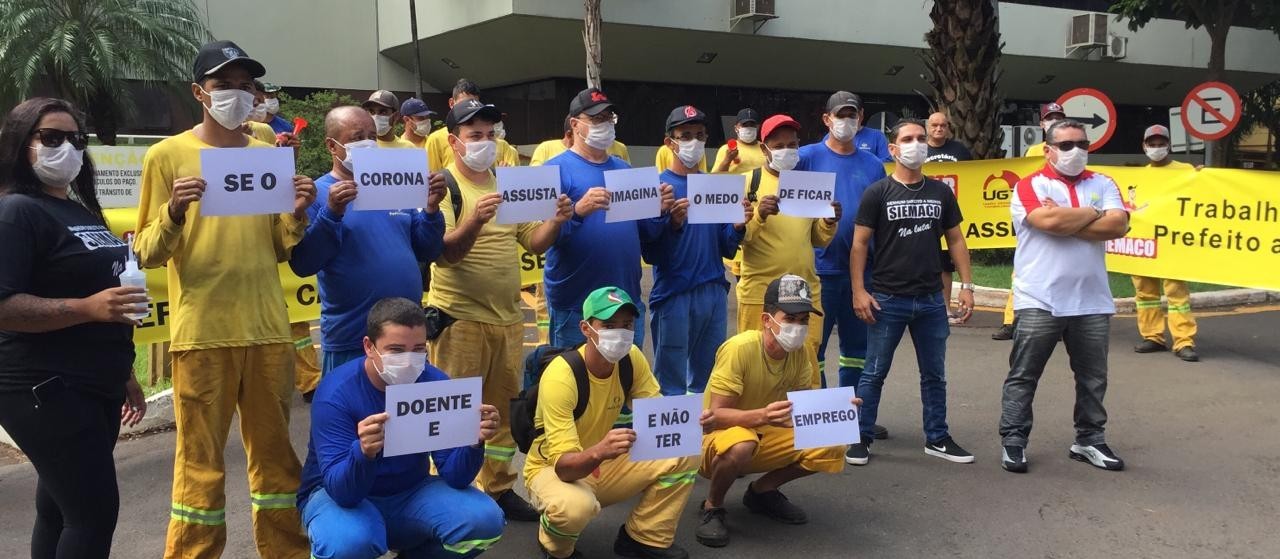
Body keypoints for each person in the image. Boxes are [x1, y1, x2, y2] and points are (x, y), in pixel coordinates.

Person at [134, 40, 316, 557]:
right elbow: (146, 250)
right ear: (199, 92)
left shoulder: (269, 158)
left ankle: (287, 550)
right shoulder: (166, 156)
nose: (238, 94)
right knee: (199, 465)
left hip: (268, 332)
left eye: (245, 85)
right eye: (223, 85)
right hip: (203, 334)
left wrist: (298, 211)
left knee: (277, 459)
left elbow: (282, 247)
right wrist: (172, 211)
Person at [0, 97, 149, 559]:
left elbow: (109, 300)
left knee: (59, 509)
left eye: (76, 139)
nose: (67, 147)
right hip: (43, 385)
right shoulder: (16, 212)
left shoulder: (80, 211)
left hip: (94, 383)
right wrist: (86, 308)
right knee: (93, 514)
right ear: (21, 144)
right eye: (51, 137)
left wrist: (123, 373)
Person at [428, 99, 573, 520]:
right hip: (459, 319)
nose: (485, 143)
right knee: (454, 412)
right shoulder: (443, 186)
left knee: (503, 414)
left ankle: (498, 487)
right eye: (475, 136)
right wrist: (473, 221)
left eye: (490, 135)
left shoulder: (509, 184)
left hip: (509, 319)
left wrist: (558, 220)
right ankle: (452, 490)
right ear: (454, 142)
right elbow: (443, 254)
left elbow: (534, 242)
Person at [298, 297, 505, 559]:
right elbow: (343, 493)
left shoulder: (435, 383)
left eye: (418, 350)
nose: (408, 362)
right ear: (369, 347)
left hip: (410, 490)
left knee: (485, 520)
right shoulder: (336, 394)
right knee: (348, 542)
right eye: (396, 350)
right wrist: (362, 452)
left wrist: (473, 442)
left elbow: (456, 476)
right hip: (335, 497)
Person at [524, 287, 696, 559]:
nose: (620, 333)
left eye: (627, 325)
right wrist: (600, 451)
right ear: (585, 328)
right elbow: (564, 467)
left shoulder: (631, 359)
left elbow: (658, 416)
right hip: (553, 470)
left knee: (684, 449)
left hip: (600, 464)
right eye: (608, 325)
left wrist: (692, 424)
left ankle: (644, 536)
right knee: (573, 509)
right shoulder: (561, 376)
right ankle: (554, 543)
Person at [999, 119, 1130, 474]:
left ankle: (1089, 439)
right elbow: (1048, 223)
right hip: (1040, 297)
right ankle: (1013, 441)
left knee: (1093, 378)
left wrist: (1068, 218)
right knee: (1024, 374)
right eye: (1068, 145)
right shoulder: (1029, 185)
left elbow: (1118, 225)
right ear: (1048, 150)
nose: (1077, 151)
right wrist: (1093, 213)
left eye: (1083, 144)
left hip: (1091, 300)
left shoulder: (1104, 182)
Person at [849, 118, 976, 466]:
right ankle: (860, 437)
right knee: (874, 371)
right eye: (908, 138)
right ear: (893, 149)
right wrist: (859, 291)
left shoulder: (940, 192)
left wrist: (967, 286)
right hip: (888, 297)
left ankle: (937, 437)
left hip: (932, 299)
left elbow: (955, 239)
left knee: (935, 374)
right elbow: (859, 245)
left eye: (921, 138)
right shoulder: (877, 193)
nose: (916, 144)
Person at [694, 275, 852, 548]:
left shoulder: (803, 353)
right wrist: (763, 416)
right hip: (715, 440)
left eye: (804, 320)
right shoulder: (740, 349)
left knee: (831, 441)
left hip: (764, 434)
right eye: (790, 318)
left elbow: (804, 411)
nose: (798, 327)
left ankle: (762, 491)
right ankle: (713, 506)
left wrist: (837, 411)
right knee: (742, 443)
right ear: (767, 320)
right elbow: (715, 417)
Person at [289, 106, 446, 374]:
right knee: (352, 413)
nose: (368, 144)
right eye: (357, 136)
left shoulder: (394, 186)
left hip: (406, 338)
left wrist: (431, 210)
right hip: (351, 339)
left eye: (372, 136)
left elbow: (427, 249)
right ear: (332, 146)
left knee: (404, 415)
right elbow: (304, 263)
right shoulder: (318, 194)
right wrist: (332, 213)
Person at [543, 88, 676, 349]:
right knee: (572, 380)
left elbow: (646, 232)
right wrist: (578, 210)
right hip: (576, 305)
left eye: (608, 118)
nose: (604, 124)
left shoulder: (624, 169)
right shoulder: (554, 170)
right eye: (595, 119)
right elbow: (544, 237)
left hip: (625, 302)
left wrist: (660, 210)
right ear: (575, 125)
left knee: (625, 382)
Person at [644, 105, 747, 395]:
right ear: (669, 142)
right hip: (674, 293)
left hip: (713, 291)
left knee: (709, 379)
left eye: (699, 135)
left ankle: (703, 439)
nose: (694, 142)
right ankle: (672, 439)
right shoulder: (659, 186)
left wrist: (738, 227)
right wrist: (672, 223)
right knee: (671, 379)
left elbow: (726, 248)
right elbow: (651, 252)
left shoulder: (715, 186)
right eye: (685, 135)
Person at [798, 92, 885, 431]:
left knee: (856, 351)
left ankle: (851, 419)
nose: (846, 121)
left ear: (861, 118)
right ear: (827, 119)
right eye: (840, 115)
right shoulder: (807, 157)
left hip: (862, 274)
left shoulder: (873, 165)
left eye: (852, 115)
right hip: (818, 270)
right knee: (811, 350)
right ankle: (819, 421)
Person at [737, 114, 839, 388]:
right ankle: (756, 423)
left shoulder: (808, 185)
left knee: (806, 361)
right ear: (764, 148)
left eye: (792, 144)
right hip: (760, 290)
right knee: (754, 360)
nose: (787, 150)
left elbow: (817, 239)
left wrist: (829, 222)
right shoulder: (749, 183)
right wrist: (759, 215)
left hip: (805, 290)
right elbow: (737, 238)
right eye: (779, 145)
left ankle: (803, 426)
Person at [994, 103, 1067, 341]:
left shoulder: (1070, 150)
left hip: (1062, 219)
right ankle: (1011, 321)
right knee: (1022, 272)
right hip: (1035, 218)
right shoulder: (1033, 152)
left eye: (1058, 117)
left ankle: (1055, 323)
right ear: (1042, 123)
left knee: (1058, 273)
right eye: (1050, 118)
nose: (1054, 121)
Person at [1130, 124, 1200, 361]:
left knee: (1177, 293)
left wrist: (1205, 178)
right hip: (1146, 241)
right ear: (1144, 146)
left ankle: (1183, 341)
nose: (1157, 148)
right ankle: (1152, 336)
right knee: (1145, 292)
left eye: (1161, 144)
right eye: (1152, 144)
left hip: (1172, 242)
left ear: (1169, 145)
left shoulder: (1186, 170)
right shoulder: (1139, 176)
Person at [923, 111, 973, 325]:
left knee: (945, 263)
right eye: (934, 125)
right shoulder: (919, 149)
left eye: (943, 125)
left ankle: (944, 308)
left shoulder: (959, 150)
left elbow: (973, 176)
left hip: (950, 210)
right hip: (924, 209)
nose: (938, 129)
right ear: (927, 127)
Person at [530, 114, 631, 166]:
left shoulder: (618, 153)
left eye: (608, 119)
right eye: (597, 119)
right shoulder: (546, 149)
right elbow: (536, 181)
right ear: (570, 134)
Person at [712, 108, 766, 174]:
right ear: (736, 128)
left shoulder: (765, 148)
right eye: (744, 125)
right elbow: (715, 178)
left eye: (752, 125)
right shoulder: (726, 149)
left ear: (758, 127)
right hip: (736, 184)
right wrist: (728, 159)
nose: (748, 128)